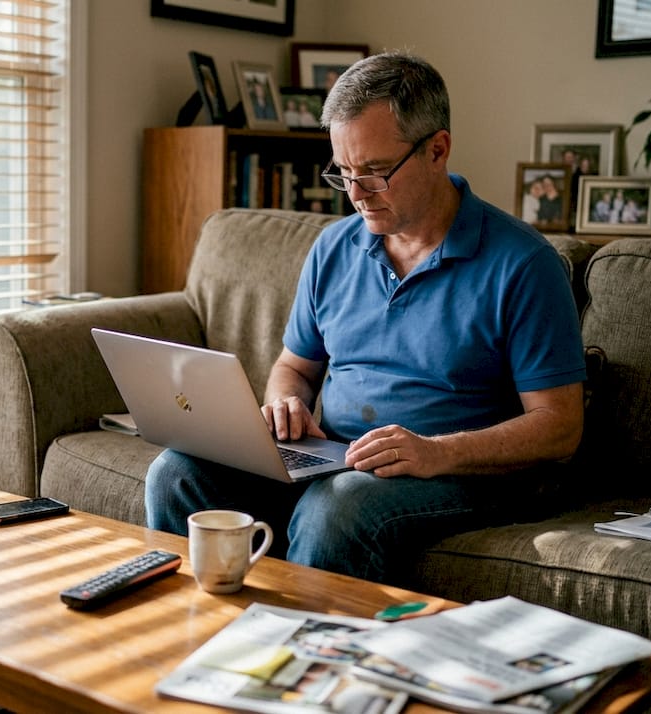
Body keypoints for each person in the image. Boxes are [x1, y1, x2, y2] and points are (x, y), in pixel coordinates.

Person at [145, 51, 586, 586]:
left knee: (337, 509)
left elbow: (559, 427)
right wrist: (283, 403)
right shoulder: (334, 248)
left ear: (437, 150)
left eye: (375, 172)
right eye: (344, 173)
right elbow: (295, 367)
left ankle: (296, 661)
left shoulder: (522, 263)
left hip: (459, 473)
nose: (355, 195)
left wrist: (434, 452)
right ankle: (197, 644)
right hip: (334, 457)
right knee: (175, 473)